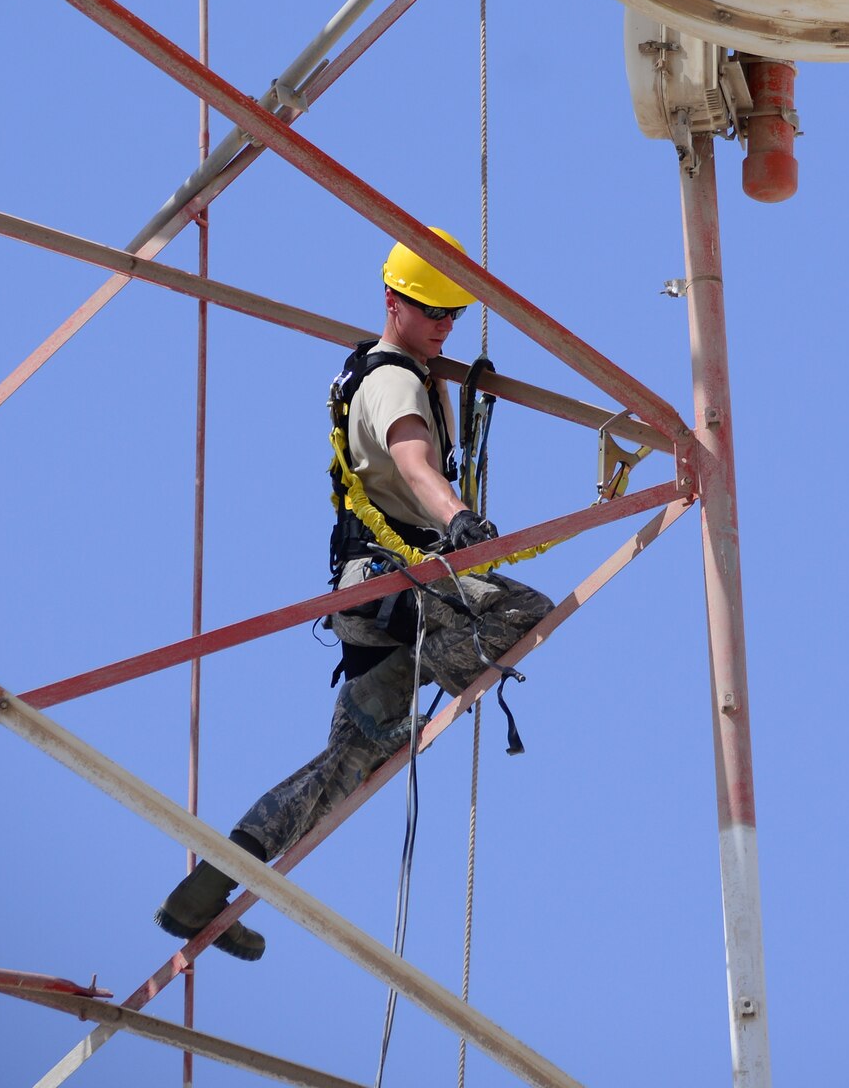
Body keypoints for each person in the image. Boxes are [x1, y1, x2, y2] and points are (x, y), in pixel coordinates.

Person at [154, 231, 553, 961]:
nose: (444, 326)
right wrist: (458, 518)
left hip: (369, 606)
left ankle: (214, 884)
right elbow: (413, 459)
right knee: (523, 613)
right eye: (431, 311)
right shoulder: (397, 379)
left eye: (453, 314)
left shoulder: (373, 372)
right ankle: (422, 680)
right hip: (397, 589)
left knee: (344, 766)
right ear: (392, 301)